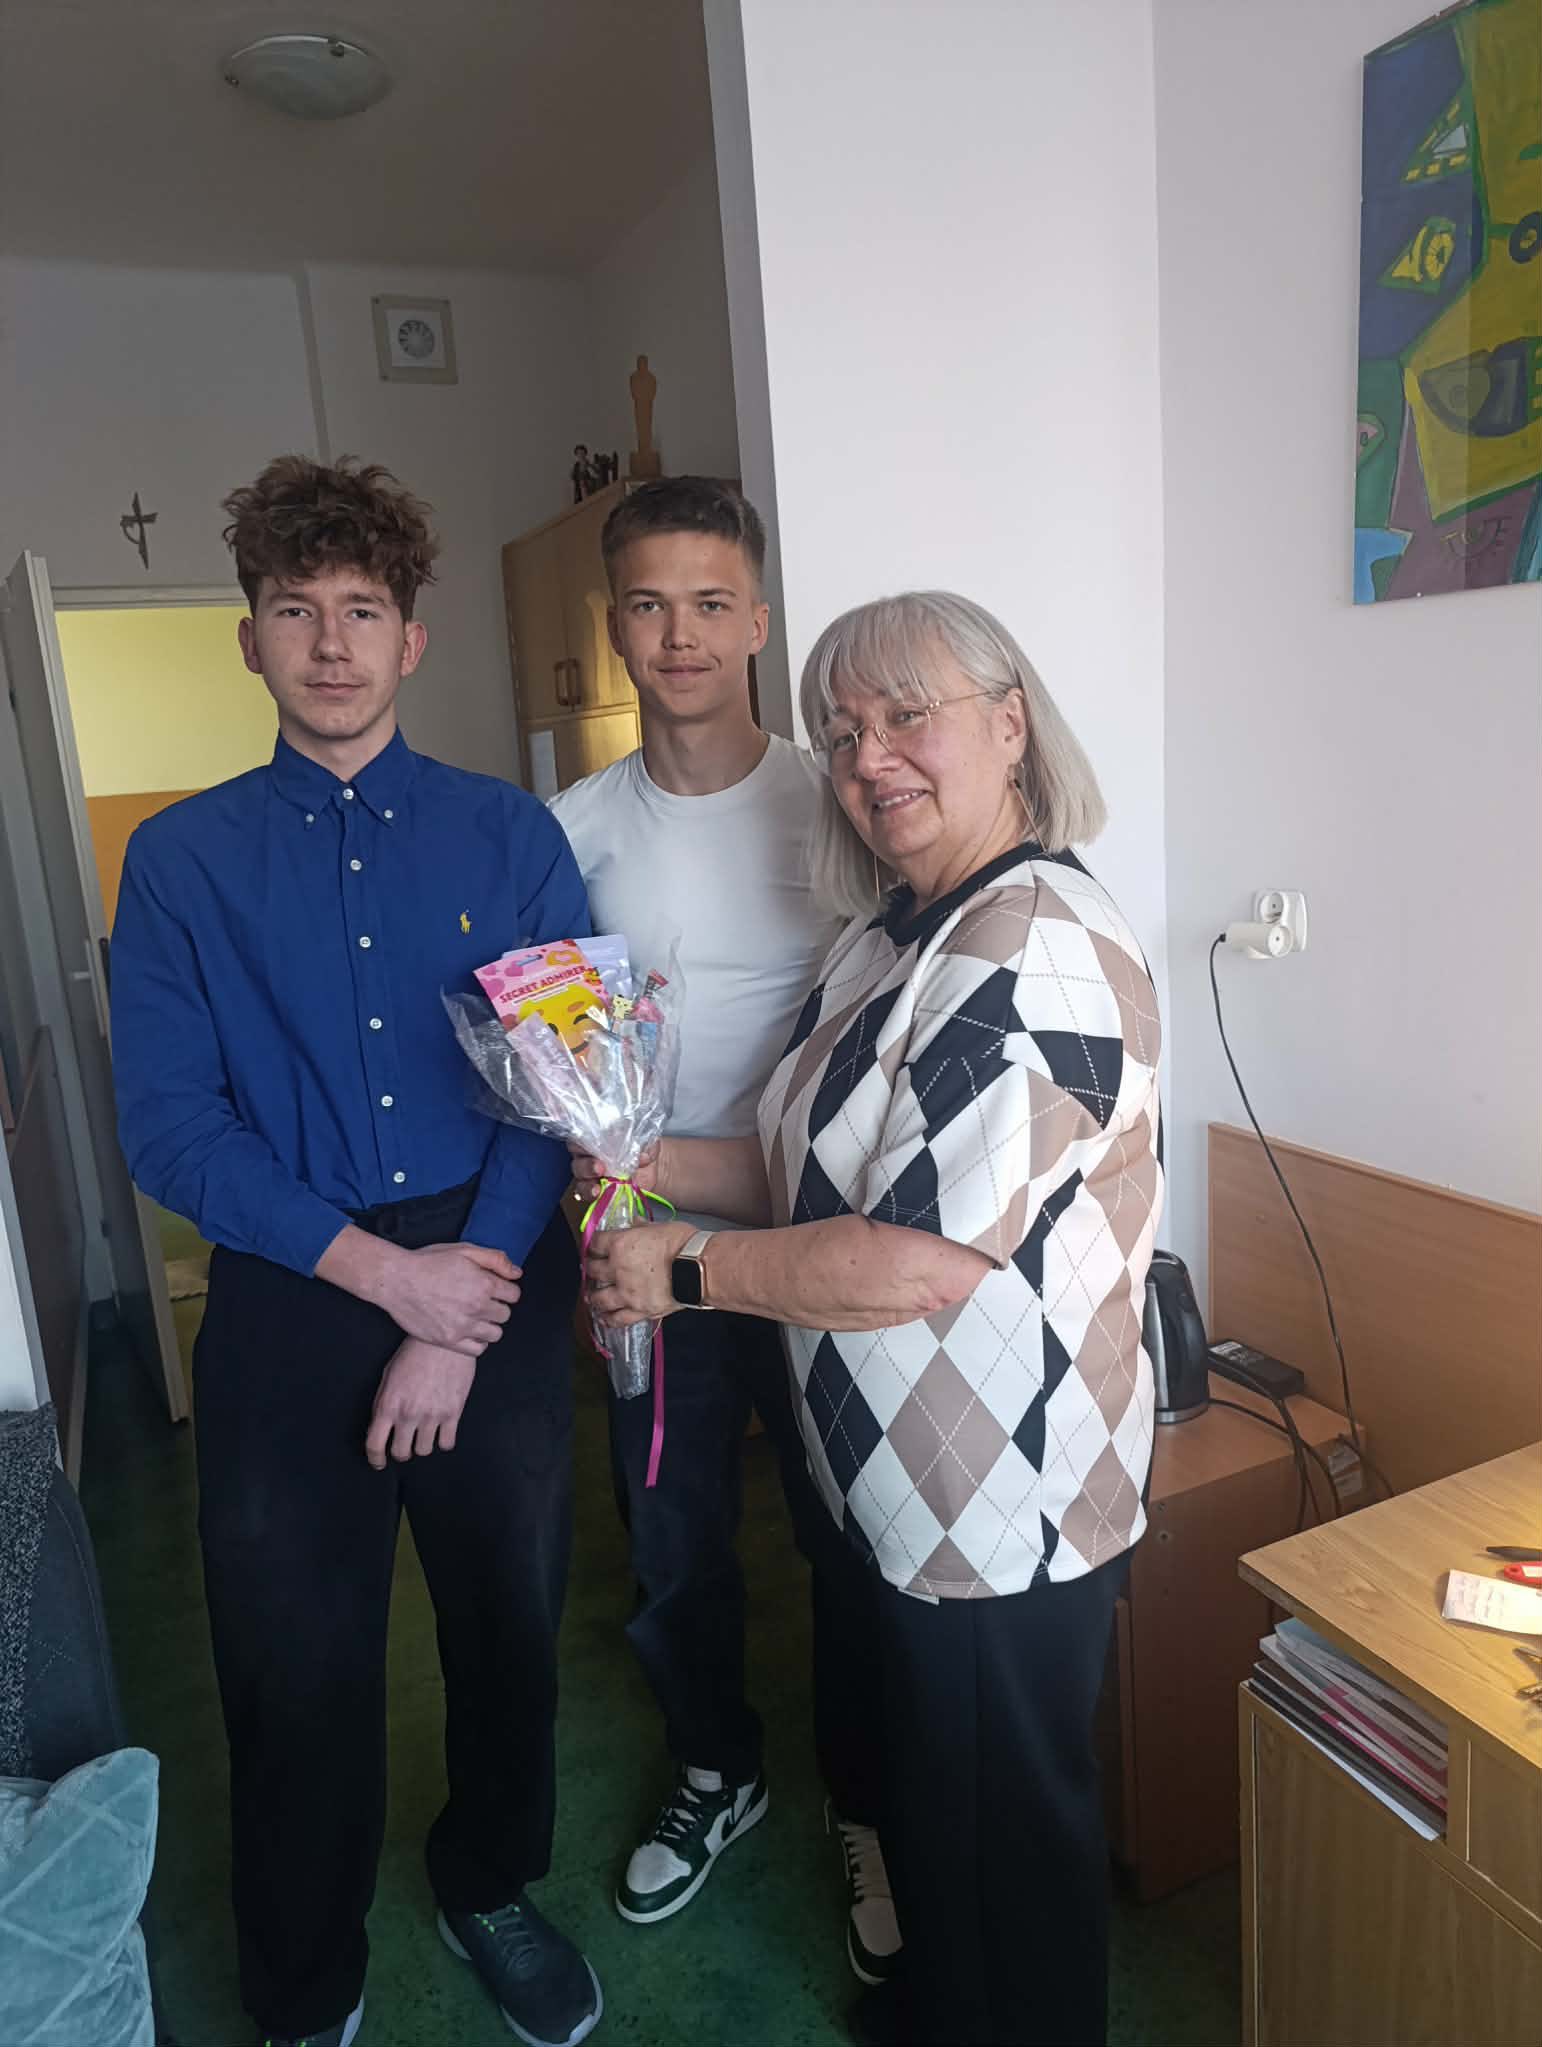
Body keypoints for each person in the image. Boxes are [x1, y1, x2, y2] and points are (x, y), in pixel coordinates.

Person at [579, 590, 1163, 2047]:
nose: (867, 758)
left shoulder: (1030, 948)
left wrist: (679, 1273)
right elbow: (800, 1167)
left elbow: (915, 1260)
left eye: (907, 716)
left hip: (1000, 1502)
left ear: (1010, 725)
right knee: (935, 1811)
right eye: (841, 733)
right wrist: (636, 1160)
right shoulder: (887, 939)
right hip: (894, 1494)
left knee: (1008, 1842)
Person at [111, 456, 602, 2047]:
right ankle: (304, 1975)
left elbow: (560, 1088)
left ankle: (487, 1882)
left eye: (363, 610)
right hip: (290, 1284)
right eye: (295, 609)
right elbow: (170, 1131)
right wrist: (389, 1284)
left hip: (494, 1262)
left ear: (412, 637)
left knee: (507, 1622)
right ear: (248, 637)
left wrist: (459, 1308)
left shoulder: (510, 835)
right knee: (288, 1654)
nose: (331, 643)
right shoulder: (179, 862)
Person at [548, 478, 901, 1983]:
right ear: (616, 625)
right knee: (674, 1538)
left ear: (757, 619)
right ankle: (717, 1765)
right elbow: (557, 1055)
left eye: (709, 602)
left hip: (816, 1247)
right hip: (652, 1256)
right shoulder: (569, 833)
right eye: (648, 604)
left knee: (850, 1537)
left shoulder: (847, 801)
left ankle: (868, 1803)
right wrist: (593, 1200)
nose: (679, 635)